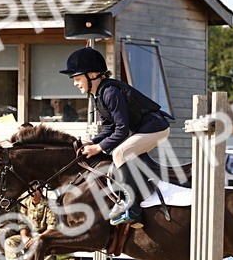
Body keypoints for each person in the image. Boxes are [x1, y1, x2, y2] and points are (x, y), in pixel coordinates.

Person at [62, 46, 172, 227]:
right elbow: (109, 126)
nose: (75, 83)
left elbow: (121, 130)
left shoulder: (110, 92)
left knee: (119, 153)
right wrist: (95, 141)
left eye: (77, 78)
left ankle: (132, 208)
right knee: (118, 152)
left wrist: (98, 147)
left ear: (93, 75)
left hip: (156, 128)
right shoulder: (98, 95)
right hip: (143, 129)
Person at [4, 189, 56, 260]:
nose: (32, 193)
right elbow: (23, 224)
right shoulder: (25, 203)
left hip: (44, 236)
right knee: (10, 242)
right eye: (30, 190)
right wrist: (24, 237)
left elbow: (51, 228)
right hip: (29, 236)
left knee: (46, 247)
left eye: (36, 190)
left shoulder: (49, 205)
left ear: (42, 190)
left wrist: (38, 238)